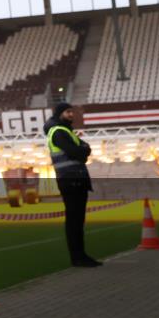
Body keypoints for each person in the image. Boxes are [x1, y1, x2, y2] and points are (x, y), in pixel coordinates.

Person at [43, 102, 102, 267]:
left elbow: (85, 148)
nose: (71, 115)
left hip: (75, 179)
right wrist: (82, 152)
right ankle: (78, 257)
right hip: (71, 180)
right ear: (60, 113)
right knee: (74, 220)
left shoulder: (66, 131)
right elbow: (78, 152)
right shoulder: (59, 132)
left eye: (72, 112)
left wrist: (83, 151)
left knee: (77, 220)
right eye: (68, 112)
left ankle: (80, 255)